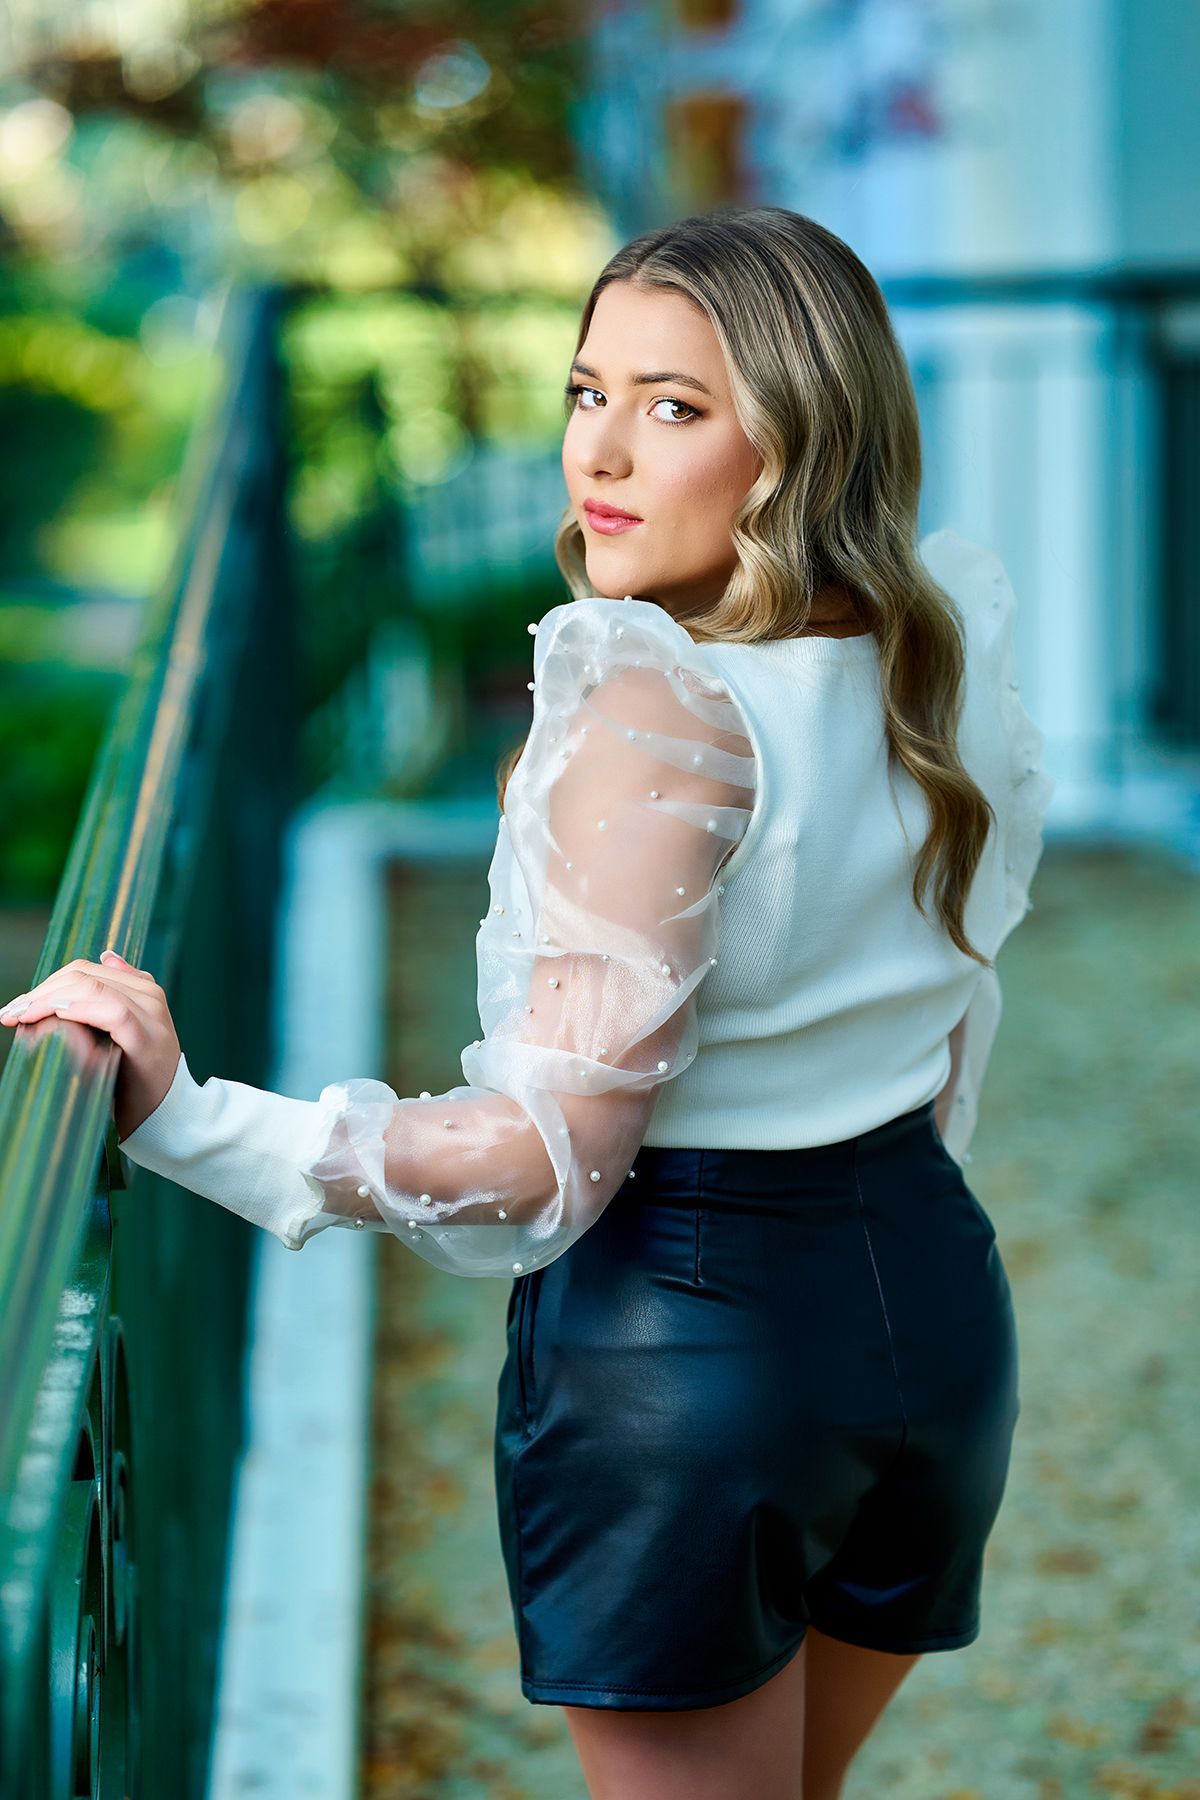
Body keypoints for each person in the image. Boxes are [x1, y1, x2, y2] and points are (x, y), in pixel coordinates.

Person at [1, 206, 1053, 1800]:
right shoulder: (930, 649)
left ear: (801, 441)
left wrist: (191, 1122)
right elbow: (951, 1008)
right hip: (935, 1314)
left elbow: (548, 1156)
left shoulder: (655, 707)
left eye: (674, 407)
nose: (600, 452)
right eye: (586, 392)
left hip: (685, 1362)